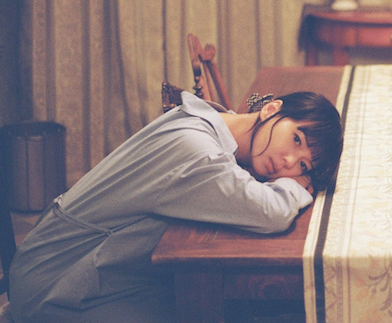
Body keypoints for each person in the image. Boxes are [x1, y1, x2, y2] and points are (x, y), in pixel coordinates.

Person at [9, 90, 343, 323]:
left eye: (303, 166)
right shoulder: (197, 151)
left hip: (94, 268)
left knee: (244, 308)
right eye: (296, 139)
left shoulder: (212, 120)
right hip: (58, 283)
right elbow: (270, 211)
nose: (288, 162)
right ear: (271, 110)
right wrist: (296, 185)